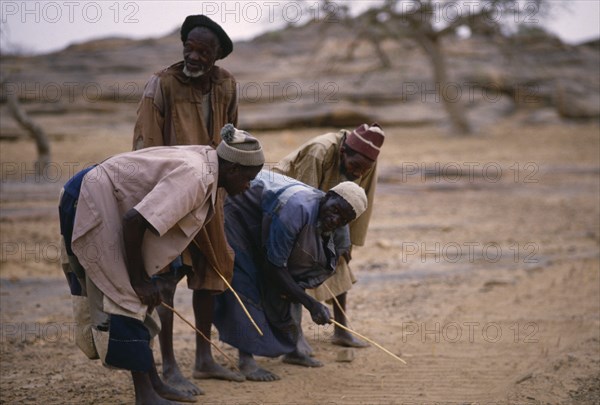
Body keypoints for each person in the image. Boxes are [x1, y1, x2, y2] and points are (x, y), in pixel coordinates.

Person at [59, 125, 264, 404]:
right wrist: (140, 279)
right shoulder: (196, 176)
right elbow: (134, 221)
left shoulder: (211, 166)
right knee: (127, 296)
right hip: (89, 196)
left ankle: (154, 384)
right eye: (248, 179)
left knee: (139, 298)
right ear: (233, 169)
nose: (248, 186)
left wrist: (150, 276)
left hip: (109, 198)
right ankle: (145, 395)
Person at [132, 14, 244, 393]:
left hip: (211, 194)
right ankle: (169, 369)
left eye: (203, 51)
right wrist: (154, 198)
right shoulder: (161, 84)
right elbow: (145, 146)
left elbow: (232, 137)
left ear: (217, 56)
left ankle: (204, 359)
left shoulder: (227, 84)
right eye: (189, 49)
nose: (194, 57)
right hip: (170, 194)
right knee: (166, 279)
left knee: (211, 276)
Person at [213, 171, 368, 381]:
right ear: (327, 196)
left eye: (343, 219)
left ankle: (293, 351)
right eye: (335, 210)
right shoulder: (298, 209)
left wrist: (301, 289)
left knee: (291, 285)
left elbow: (316, 265)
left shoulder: (339, 227)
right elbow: (274, 266)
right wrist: (311, 304)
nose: (335, 219)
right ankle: (246, 361)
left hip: (268, 218)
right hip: (239, 211)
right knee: (246, 280)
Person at [273, 123, 384, 349]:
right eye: (354, 167)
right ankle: (294, 341)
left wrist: (348, 242)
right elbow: (304, 198)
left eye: (363, 170)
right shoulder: (319, 151)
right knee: (298, 265)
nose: (357, 173)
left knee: (339, 260)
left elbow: (359, 200)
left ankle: (341, 330)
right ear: (343, 152)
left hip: (331, 208)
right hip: (287, 205)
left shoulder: (364, 162)